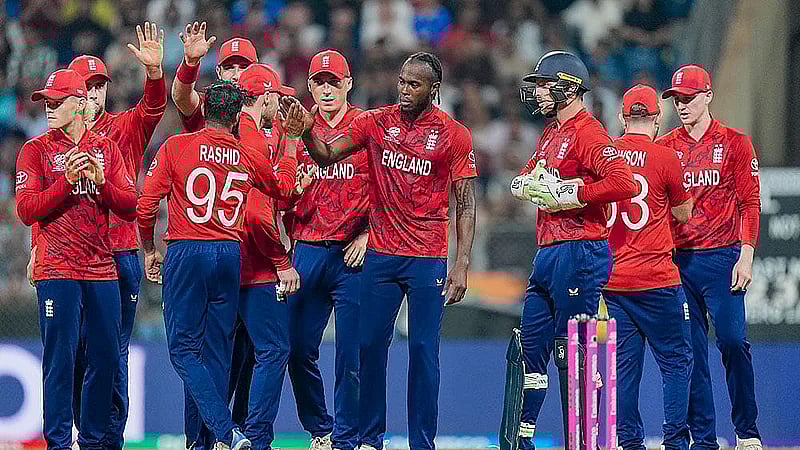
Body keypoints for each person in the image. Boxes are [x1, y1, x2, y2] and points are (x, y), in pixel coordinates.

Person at [284, 51, 477, 450]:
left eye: (414, 84)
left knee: (424, 351)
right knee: (369, 348)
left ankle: (422, 442)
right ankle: (371, 439)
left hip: (427, 256)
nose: (404, 90)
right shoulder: (375, 122)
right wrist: (305, 132)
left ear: (434, 89)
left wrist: (461, 263)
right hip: (382, 256)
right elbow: (325, 154)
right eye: (402, 81)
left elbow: (466, 202)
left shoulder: (454, 134)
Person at [136, 80, 300, 450]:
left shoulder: (177, 146)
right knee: (217, 354)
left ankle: (223, 434)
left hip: (187, 251)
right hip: (229, 255)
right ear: (237, 114)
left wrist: (148, 249)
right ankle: (211, 440)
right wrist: (289, 143)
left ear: (207, 108)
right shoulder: (246, 154)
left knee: (182, 350)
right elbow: (283, 188)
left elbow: (146, 205)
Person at [505, 50, 637, 449]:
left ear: (567, 85)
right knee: (530, 350)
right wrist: (526, 183)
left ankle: (580, 441)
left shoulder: (588, 131)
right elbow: (532, 172)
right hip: (547, 252)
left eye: (545, 85)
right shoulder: (552, 131)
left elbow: (624, 183)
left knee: (573, 355)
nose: (539, 93)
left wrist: (576, 192)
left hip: (581, 250)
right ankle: (521, 438)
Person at [56, 22, 166, 450]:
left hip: (117, 255)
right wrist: (35, 250)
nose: (94, 93)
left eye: (99, 85)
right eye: (86, 86)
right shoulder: (50, 141)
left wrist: (155, 74)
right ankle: (86, 432)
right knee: (75, 352)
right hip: (68, 261)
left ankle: (109, 439)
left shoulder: (124, 128)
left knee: (112, 352)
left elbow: (153, 108)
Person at [15, 68, 137, 450]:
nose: (49, 108)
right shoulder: (34, 151)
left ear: (80, 104)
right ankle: (58, 444)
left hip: (102, 269)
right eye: (46, 102)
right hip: (57, 269)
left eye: (56, 102)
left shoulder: (108, 150)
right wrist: (65, 183)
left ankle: (95, 441)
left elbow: (130, 204)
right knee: (60, 361)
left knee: (103, 361)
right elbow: (25, 208)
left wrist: (102, 182)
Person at [657, 65, 763, 450]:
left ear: (708, 96)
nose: (682, 105)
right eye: (677, 99)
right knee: (691, 353)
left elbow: (750, 202)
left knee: (734, 342)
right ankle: (704, 439)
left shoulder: (735, 143)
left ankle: (747, 431)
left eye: (688, 97)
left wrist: (746, 255)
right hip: (679, 262)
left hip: (723, 259)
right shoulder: (665, 147)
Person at [284, 49, 369, 450]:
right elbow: (281, 187)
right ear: (310, 85)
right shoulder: (297, 128)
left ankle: (346, 439)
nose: (326, 89)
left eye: (334, 81)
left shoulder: (366, 127)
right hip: (308, 250)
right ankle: (321, 428)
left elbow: (388, 190)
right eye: (319, 81)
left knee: (351, 357)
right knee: (297, 348)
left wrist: (368, 236)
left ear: (348, 83)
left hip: (351, 255)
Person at [604, 84, 694, 450]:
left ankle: (630, 443)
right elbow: (684, 213)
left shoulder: (605, 155)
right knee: (676, 361)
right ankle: (674, 442)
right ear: (657, 118)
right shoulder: (666, 157)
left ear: (623, 118)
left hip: (614, 280)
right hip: (657, 278)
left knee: (625, 368)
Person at [230, 62, 302, 450]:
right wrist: (282, 262)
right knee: (274, 349)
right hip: (254, 262)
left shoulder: (232, 131)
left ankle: (215, 435)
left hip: (222, 254)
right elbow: (259, 214)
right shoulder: (254, 138)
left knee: (218, 355)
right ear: (269, 97)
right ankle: (256, 438)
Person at [172, 21, 258, 132]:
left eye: (244, 67)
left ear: (257, 70)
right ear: (218, 72)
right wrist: (190, 63)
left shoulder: (268, 109)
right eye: (229, 68)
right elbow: (181, 97)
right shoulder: (209, 105)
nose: (236, 75)